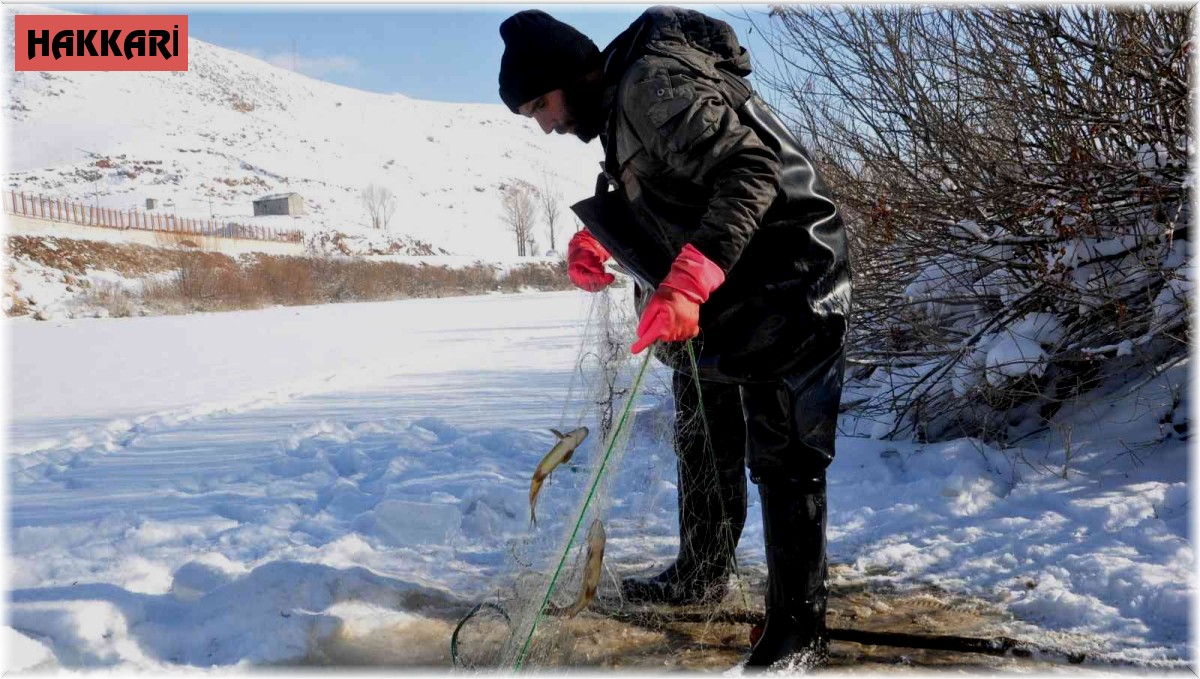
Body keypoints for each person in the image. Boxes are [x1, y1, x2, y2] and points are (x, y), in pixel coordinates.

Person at [497, 6, 851, 668]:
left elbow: (749, 171)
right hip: (735, 283)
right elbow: (668, 184)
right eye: (530, 115)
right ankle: (701, 570)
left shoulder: (648, 84)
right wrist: (597, 236)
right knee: (702, 416)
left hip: (792, 269)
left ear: (573, 75)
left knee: (786, 448)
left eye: (540, 104)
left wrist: (688, 281)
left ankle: (800, 630)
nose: (544, 123)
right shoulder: (617, 106)